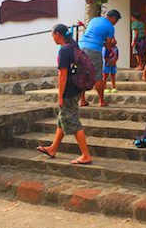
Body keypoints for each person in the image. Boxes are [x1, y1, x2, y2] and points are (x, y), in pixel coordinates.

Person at [36, 24, 92, 164]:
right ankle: (53, 148)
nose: (52, 38)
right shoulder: (73, 47)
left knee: (73, 121)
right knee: (62, 120)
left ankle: (86, 155)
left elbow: (63, 74)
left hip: (69, 91)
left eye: (53, 35)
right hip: (76, 89)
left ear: (58, 34)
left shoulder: (64, 50)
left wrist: (60, 96)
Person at [78, 9, 121, 107]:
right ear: (113, 18)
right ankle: (101, 101)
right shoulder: (110, 27)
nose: (115, 23)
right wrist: (108, 54)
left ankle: (83, 100)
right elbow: (109, 45)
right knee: (98, 76)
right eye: (116, 21)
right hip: (94, 49)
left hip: (81, 47)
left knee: (82, 74)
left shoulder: (94, 20)